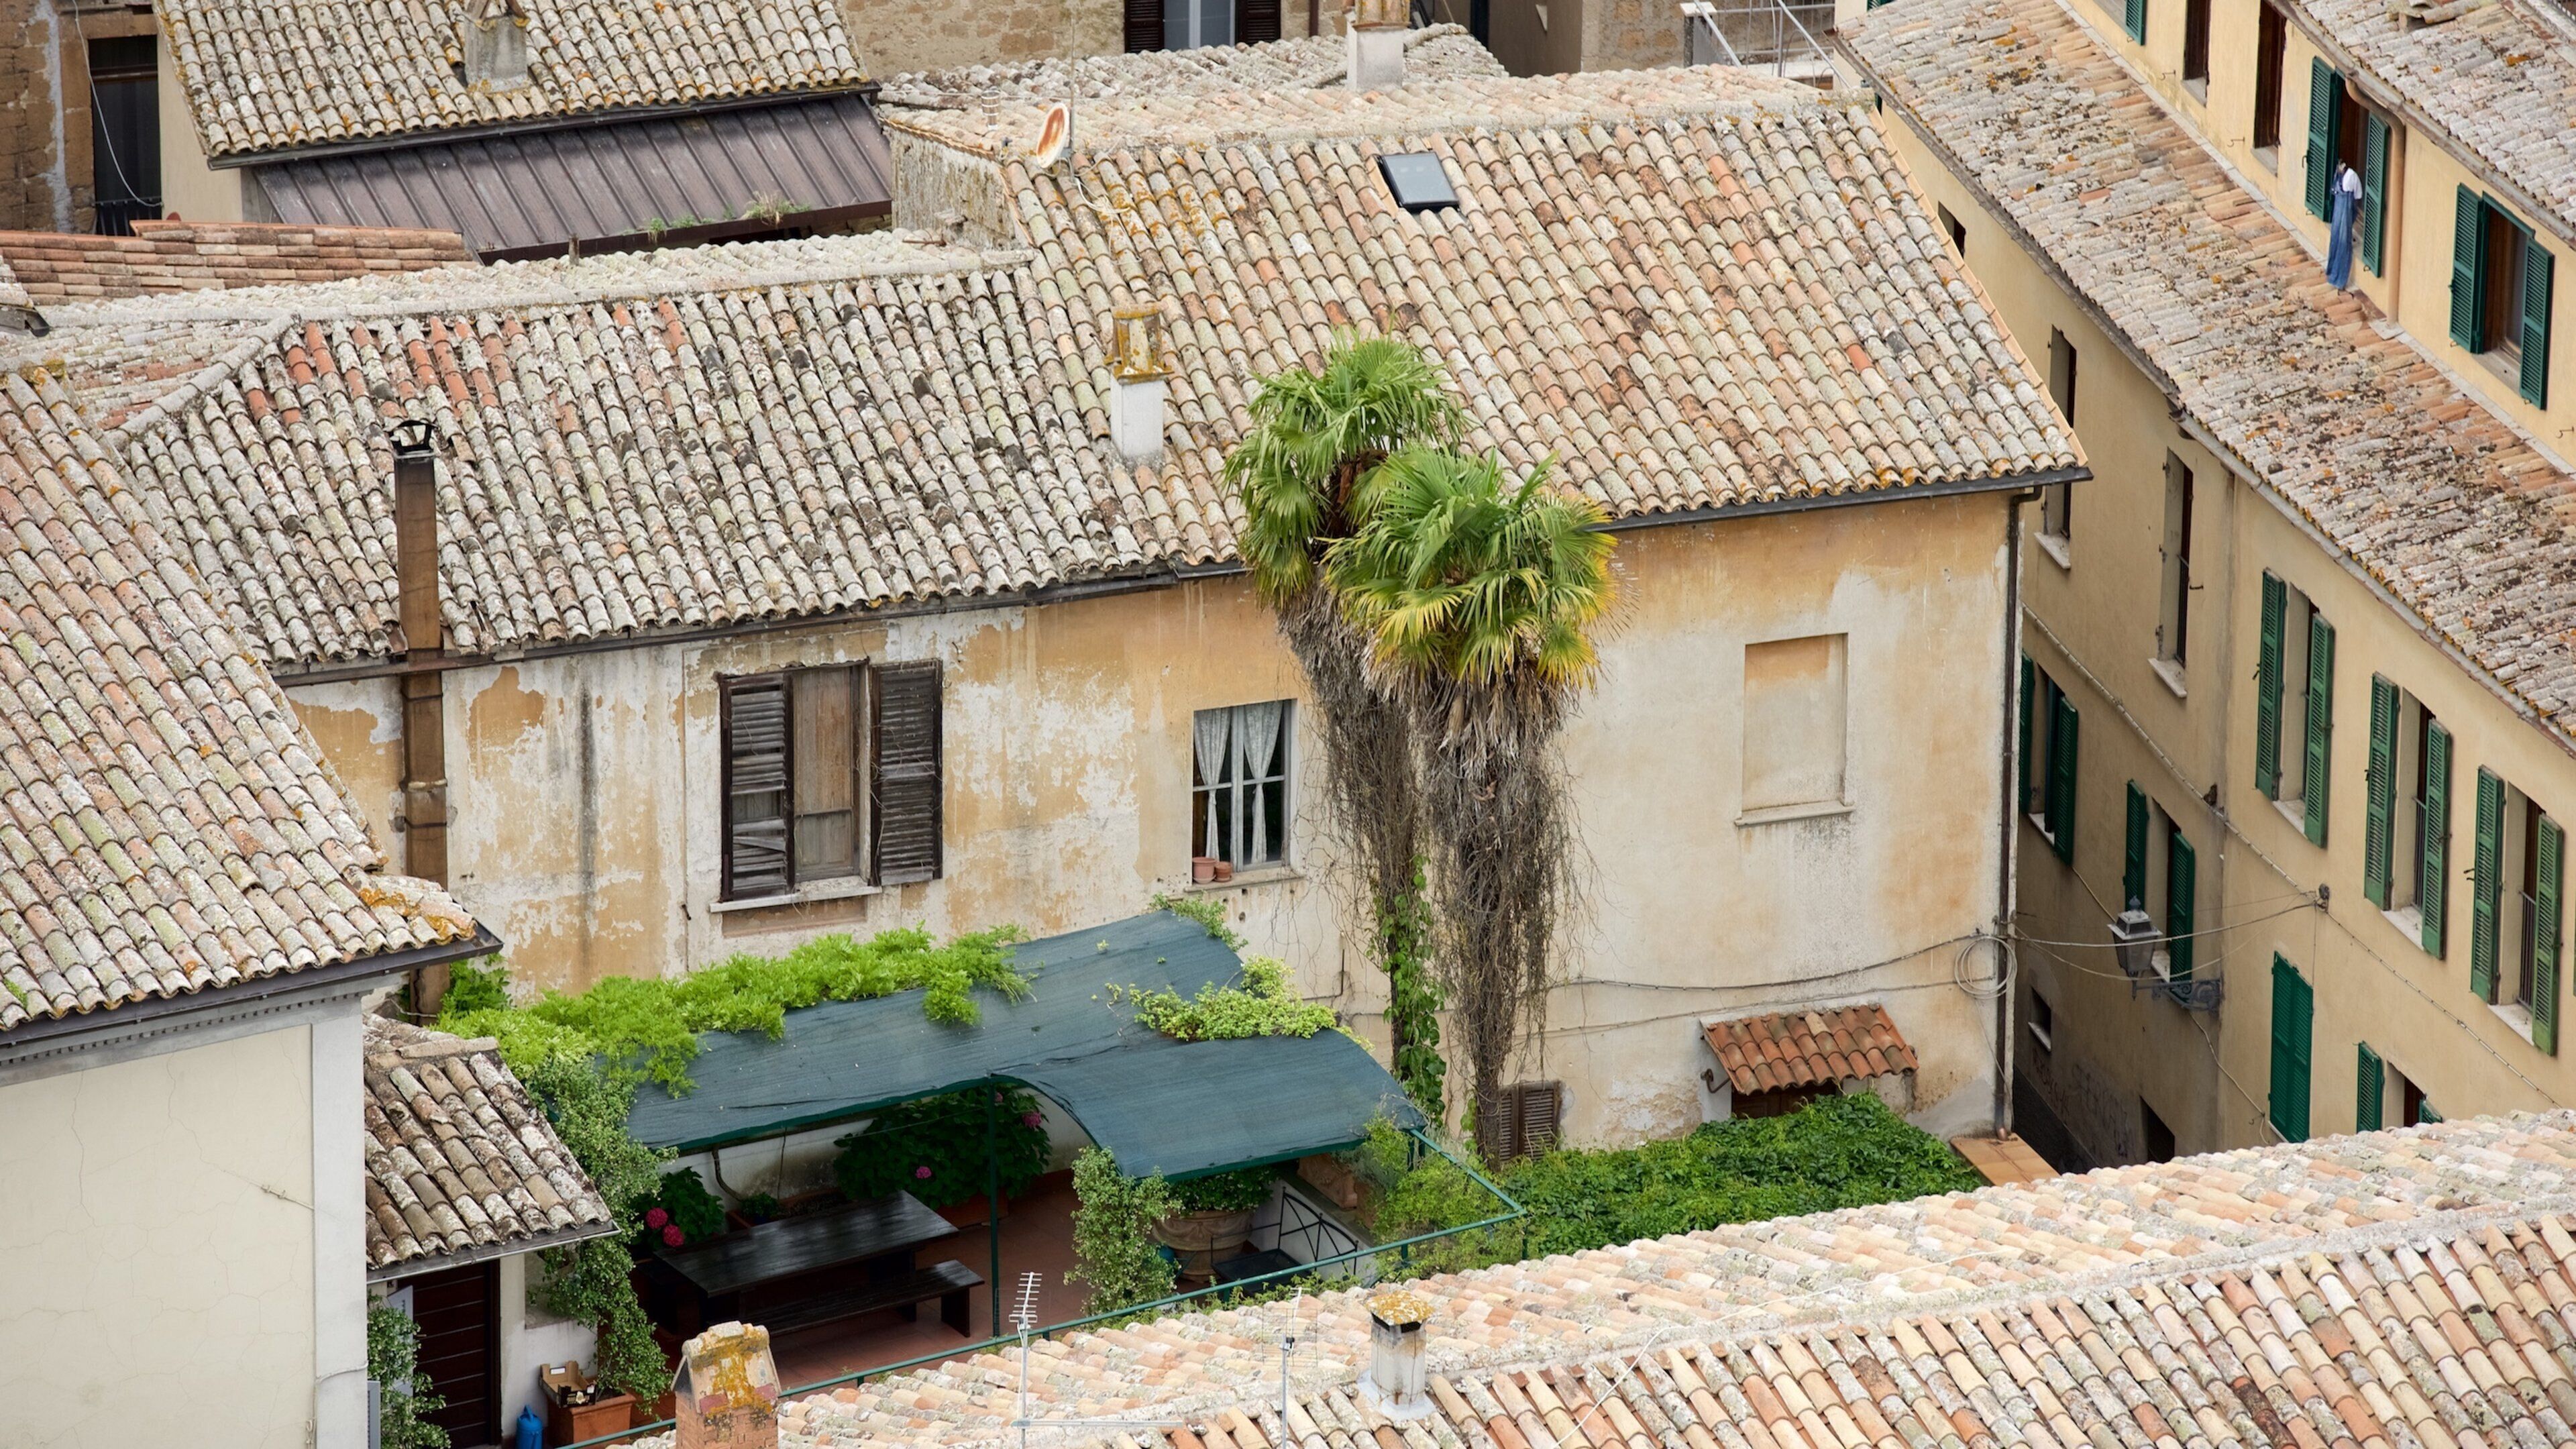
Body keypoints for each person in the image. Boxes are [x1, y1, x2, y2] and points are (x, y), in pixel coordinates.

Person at [2326, 162, 2362, 289]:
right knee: (2336, 239)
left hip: (2345, 209)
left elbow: (2358, 195)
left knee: (2343, 242)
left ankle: (2340, 278)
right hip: (2339, 208)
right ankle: (2332, 273)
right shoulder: (2339, 175)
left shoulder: (2352, 176)